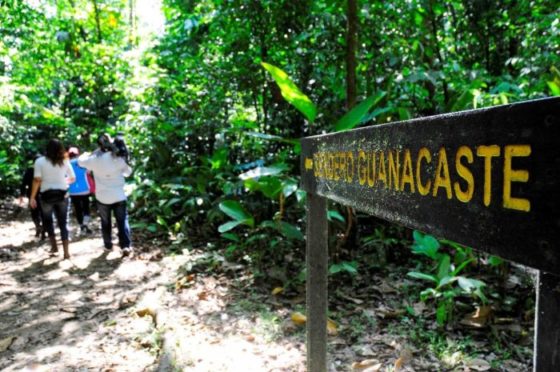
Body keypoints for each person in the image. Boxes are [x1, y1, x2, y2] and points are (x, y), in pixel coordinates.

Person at [78, 134, 133, 257]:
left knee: (105, 221)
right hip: (119, 195)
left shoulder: (93, 159)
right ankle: (125, 246)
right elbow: (128, 173)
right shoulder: (118, 159)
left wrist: (89, 153)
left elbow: (80, 162)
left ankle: (108, 245)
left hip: (102, 197)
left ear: (99, 145)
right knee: (122, 220)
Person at [29, 139, 76, 259]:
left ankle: (54, 247)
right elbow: (72, 178)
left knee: (48, 221)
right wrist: (62, 182)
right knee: (63, 222)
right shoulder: (65, 161)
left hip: (46, 195)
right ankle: (66, 252)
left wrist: (32, 197)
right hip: (62, 195)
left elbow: (37, 180)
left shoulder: (39, 161)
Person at [19, 153, 45, 240]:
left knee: (34, 213)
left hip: (32, 195)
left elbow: (23, 184)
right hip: (43, 194)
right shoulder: (44, 170)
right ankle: (44, 231)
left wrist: (22, 195)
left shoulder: (29, 171)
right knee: (44, 213)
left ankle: (38, 226)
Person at [68, 147, 93, 235]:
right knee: (86, 208)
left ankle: (82, 227)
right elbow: (89, 172)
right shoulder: (82, 163)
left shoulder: (66, 164)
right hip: (85, 189)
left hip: (73, 191)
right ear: (77, 154)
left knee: (78, 209)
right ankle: (85, 225)